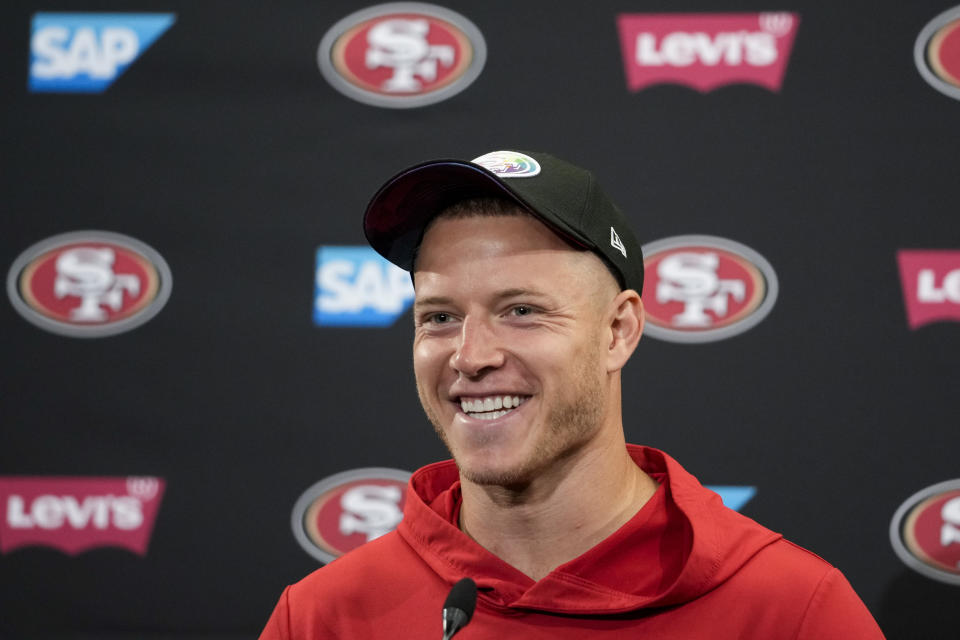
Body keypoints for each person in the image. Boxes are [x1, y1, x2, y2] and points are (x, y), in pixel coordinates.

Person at [259, 150, 885, 638]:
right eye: (439, 317)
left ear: (619, 331)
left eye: (522, 310)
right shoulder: (322, 618)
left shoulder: (792, 612)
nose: (470, 357)